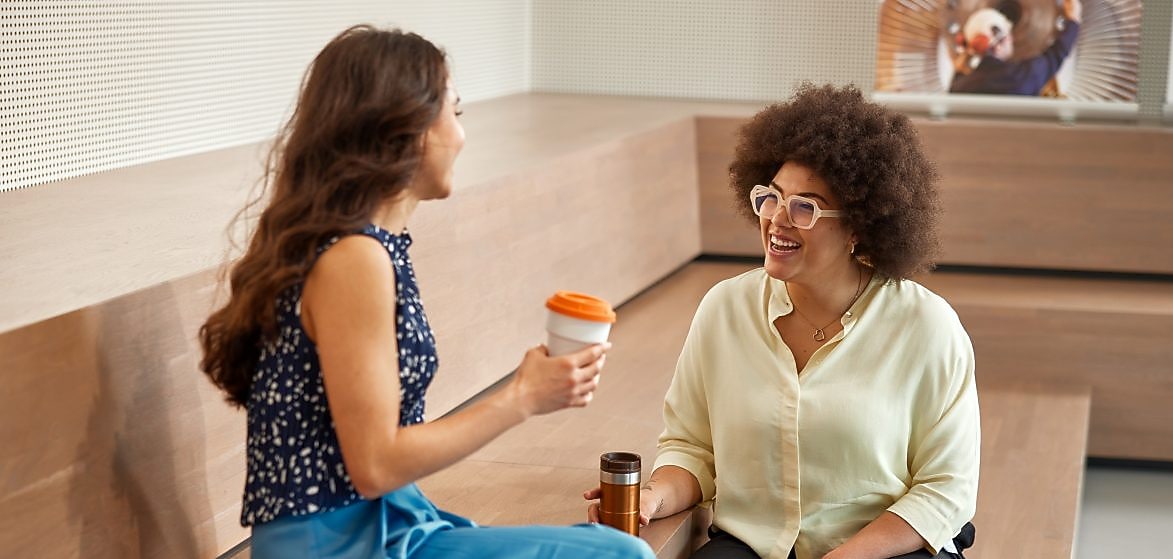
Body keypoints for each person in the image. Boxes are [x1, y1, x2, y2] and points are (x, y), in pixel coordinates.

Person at [198, 25, 654, 559]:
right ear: (408, 129)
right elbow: (374, 466)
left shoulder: (374, 249)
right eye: (454, 113)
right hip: (335, 544)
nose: (461, 135)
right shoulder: (353, 259)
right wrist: (523, 396)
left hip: (391, 522)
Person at [586, 84, 979, 559]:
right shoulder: (724, 309)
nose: (776, 220)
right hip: (755, 545)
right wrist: (653, 497)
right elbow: (692, 448)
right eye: (770, 198)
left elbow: (945, 489)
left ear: (859, 226)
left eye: (804, 207)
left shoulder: (927, 326)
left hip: (883, 549)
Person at [949, 0, 1081, 96]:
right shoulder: (1024, 77)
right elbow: (1056, 55)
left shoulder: (957, 87)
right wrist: (1073, 18)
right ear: (1000, 44)